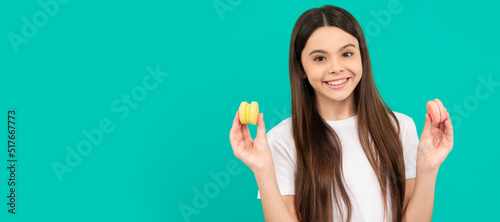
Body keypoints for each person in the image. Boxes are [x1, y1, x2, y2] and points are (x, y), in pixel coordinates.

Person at [229, 4, 454, 222]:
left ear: (362, 58)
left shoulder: (399, 127)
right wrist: (262, 170)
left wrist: (428, 168)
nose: (336, 67)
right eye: (319, 58)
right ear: (301, 68)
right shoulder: (282, 140)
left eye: (346, 54)